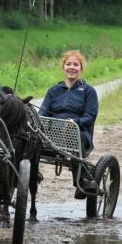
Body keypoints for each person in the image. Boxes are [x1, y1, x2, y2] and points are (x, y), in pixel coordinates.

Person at [39, 50, 99, 199]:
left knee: (75, 134)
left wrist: (75, 122)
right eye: (68, 64)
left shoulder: (88, 91)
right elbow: (42, 113)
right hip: (53, 132)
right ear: (63, 67)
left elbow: (90, 117)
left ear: (81, 68)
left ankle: (82, 180)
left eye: (75, 64)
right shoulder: (53, 90)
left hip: (79, 132)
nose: (71, 67)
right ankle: (30, 173)